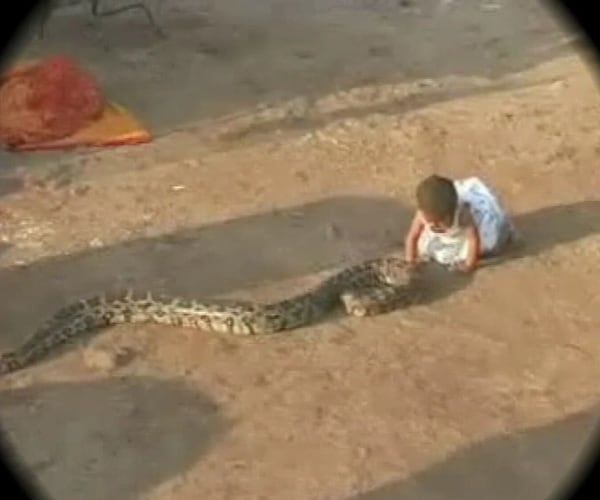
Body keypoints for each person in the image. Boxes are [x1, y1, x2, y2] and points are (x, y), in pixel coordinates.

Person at [404, 174, 516, 272]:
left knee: (489, 243)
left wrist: (469, 265)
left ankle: (506, 234)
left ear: (452, 212)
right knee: (425, 247)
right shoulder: (422, 214)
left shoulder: (463, 214)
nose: (435, 225)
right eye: (431, 222)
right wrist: (411, 262)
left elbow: (473, 239)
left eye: (440, 221)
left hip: (471, 226)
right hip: (448, 235)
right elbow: (412, 237)